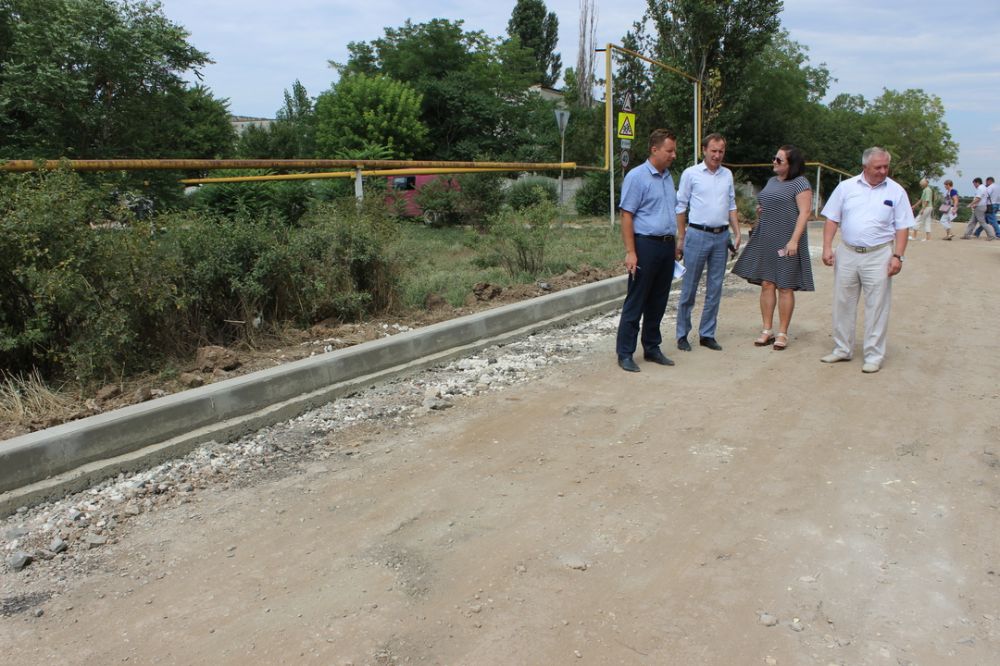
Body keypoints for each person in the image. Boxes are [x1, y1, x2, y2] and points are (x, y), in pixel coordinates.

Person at [819, 147, 915, 374]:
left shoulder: (896, 191)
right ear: (865, 167)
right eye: (878, 167)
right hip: (848, 252)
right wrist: (827, 247)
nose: (883, 171)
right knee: (843, 302)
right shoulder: (846, 188)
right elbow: (832, 219)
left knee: (877, 306)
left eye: (885, 167)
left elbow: (902, 226)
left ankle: (874, 354)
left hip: (879, 254)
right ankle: (842, 348)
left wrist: (897, 256)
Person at [732, 145, 814, 350]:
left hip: (787, 240)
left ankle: (783, 333)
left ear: (791, 164)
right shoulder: (771, 181)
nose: (774, 162)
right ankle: (767, 330)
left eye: (779, 160)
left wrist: (794, 240)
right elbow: (769, 204)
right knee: (767, 283)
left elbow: (804, 213)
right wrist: (762, 210)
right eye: (774, 158)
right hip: (767, 237)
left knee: (785, 286)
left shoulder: (800, 183)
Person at [614, 128, 680, 373]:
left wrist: (674, 244)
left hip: (665, 246)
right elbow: (627, 215)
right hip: (645, 245)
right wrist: (631, 252)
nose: (673, 155)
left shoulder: (667, 177)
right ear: (654, 149)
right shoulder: (637, 176)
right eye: (669, 150)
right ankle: (625, 353)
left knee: (658, 301)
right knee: (637, 299)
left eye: (674, 150)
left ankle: (652, 347)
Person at [674, 133, 742, 352]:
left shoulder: (727, 175)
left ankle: (707, 333)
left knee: (715, 287)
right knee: (690, 286)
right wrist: (681, 237)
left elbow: (731, 205)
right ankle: (682, 334)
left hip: (721, 236)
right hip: (697, 234)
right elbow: (681, 206)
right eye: (713, 150)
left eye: (721, 151)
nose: (717, 155)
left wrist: (737, 231)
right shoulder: (691, 174)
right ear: (704, 150)